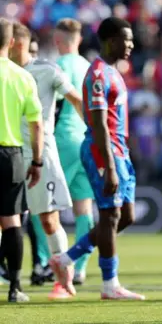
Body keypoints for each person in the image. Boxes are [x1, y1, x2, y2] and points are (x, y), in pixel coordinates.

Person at [48, 17, 144, 300]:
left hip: (119, 150)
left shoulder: (114, 71)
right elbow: (99, 124)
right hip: (102, 151)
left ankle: (66, 259)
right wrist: (110, 166)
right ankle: (109, 284)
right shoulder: (99, 74)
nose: (131, 45)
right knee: (110, 215)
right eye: (126, 39)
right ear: (110, 40)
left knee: (126, 216)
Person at [10, 22, 84, 300]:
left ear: (16, 43)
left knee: (49, 220)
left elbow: (75, 99)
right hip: (9, 151)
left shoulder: (48, 70)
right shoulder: (5, 71)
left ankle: (63, 280)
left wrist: (94, 133)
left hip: (42, 154)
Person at [0, 17, 43, 302]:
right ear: (12, 42)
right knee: (12, 220)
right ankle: (15, 287)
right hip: (11, 155)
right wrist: (37, 161)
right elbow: (36, 124)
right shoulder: (22, 76)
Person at [53, 18, 95, 286]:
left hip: (63, 138)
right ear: (78, 39)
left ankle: (48, 261)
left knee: (46, 204)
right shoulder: (90, 67)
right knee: (84, 208)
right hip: (86, 138)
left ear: (59, 40)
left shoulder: (58, 66)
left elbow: (51, 106)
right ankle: (79, 266)